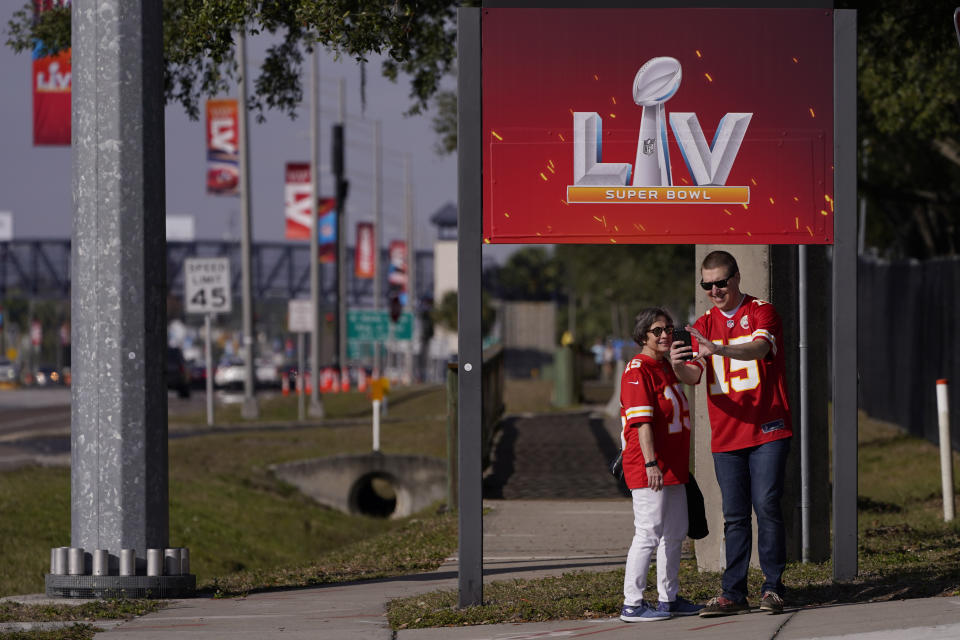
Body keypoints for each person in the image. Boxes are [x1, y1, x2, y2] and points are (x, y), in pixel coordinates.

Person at [670, 250, 792, 617]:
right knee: (734, 515)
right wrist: (679, 366)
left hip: (768, 426)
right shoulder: (702, 324)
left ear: (737, 278)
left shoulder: (761, 311)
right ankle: (733, 592)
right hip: (727, 434)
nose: (715, 290)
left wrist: (719, 348)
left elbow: (759, 348)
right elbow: (694, 375)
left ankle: (773, 587)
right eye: (707, 285)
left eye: (721, 282)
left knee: (767, 506)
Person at [618, 307, 703, 622]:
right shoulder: (637, 369)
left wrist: (684, 357)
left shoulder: (666, 365)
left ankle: (669, 598)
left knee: (675, 531)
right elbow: (643, 425)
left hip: (674, 465)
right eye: (657, 330)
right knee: (648, 532)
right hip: (650, 465)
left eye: (669, 328)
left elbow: (695, 377)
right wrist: (651, 462)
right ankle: (633, 602)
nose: (666, 334)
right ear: (643, 336)